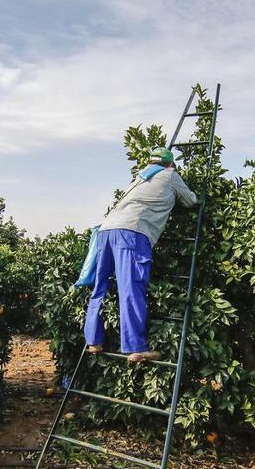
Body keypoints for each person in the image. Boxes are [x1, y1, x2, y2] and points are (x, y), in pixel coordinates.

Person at [84, 146, 198, 362]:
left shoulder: (140, 177)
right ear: (170, 164)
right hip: (132, 233)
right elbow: (190, 201)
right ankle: (136, 347)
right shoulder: (171, 175)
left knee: (100, 286)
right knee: (131, 287)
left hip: (106, 231)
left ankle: (93, 340)